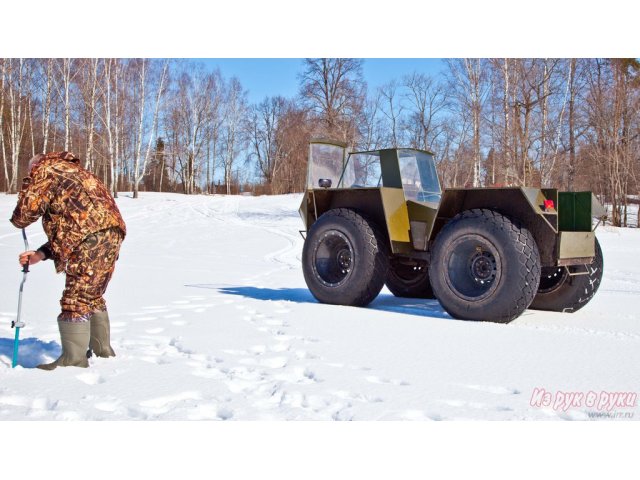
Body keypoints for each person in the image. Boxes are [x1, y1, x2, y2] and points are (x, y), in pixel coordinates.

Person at [10, 151, 126, 370]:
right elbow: (71, 226)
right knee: (91, 294)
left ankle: (73, 361)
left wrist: (27, 188)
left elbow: (23, 216)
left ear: (35, 166)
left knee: (76, 298)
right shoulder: (78, 173)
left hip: (87, 237)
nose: (31, 175)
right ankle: (102, 352)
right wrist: (40, 255)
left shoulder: (46, 170)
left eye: (30, 172)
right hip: (112, 234)